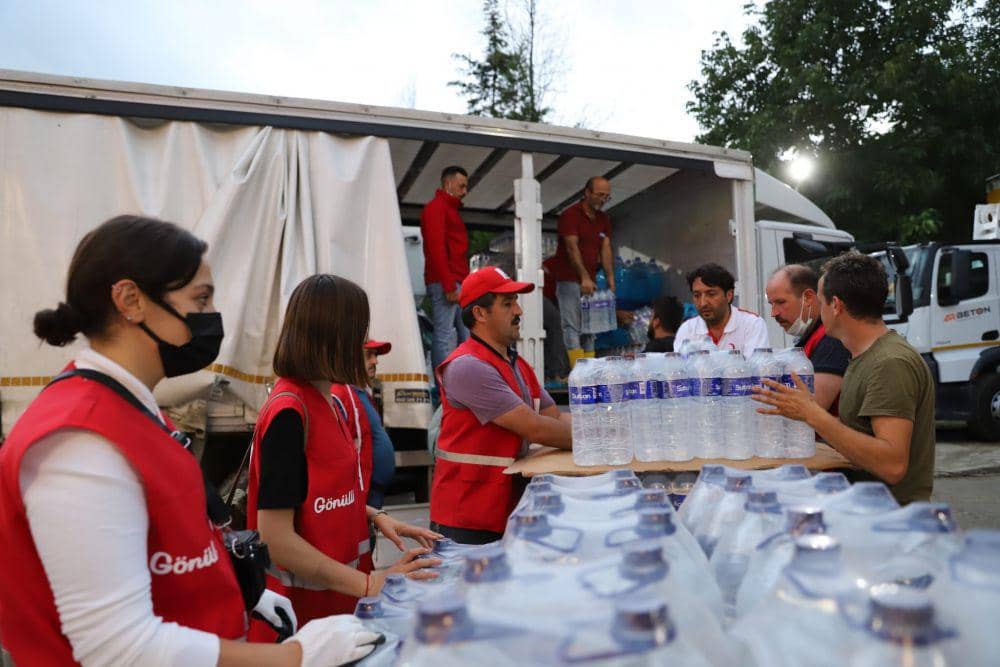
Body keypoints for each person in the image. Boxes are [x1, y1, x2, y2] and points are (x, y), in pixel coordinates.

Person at [0, 215, 380, 666]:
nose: (212, 316)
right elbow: (118, 647)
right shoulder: (80, 442)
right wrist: (296, 657)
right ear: (130, 300)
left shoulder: (130, 410)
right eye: (201, 298)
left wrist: (248, 595)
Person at [247, 274, 441, 641]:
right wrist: (370, 584)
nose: (363, 344)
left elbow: (315, 499)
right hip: (304, 624)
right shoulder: (289, 414)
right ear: (333, 336)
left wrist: (376, 516)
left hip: (335, 613)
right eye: (358, 332)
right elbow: (276, 537)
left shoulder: (328, 402)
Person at [753, 253, 936, 504]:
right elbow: (860, 429)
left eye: (820, 301)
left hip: (889, 515)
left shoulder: (889, 363)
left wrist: (812, 414)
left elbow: (892, 465)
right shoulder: (863, 356)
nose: (818, 310)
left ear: (836, 305)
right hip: (863, 509)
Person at [430, 267, 573, 544]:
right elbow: (537, 428)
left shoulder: (516, 365)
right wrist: (598, 442)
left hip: (500, 510)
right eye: (508, 304)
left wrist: (606, 430)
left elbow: (555, 418)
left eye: (516, 302)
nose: (519, 311)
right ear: (480, 314)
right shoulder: (468, 367)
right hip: (466, 518)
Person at [545, 176, 615, 368]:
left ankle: (589, 370)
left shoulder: (603, 218)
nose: (603, 200)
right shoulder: (570, 215)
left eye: (607, 196)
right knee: (572, 327)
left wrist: (610, 279)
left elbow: (606, 248)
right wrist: (584, 277)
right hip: (569, 279)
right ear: (587, 193)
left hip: (590, 282)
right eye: (599, 195)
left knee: (591, 328)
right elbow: (571, 248)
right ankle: (578, 371)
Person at [766, 264, 851, 412]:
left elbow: (811, 410)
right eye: (771, 304)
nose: (774, 313)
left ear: (808, 298)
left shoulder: (832, 339)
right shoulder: (814, 336)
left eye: (780, 302)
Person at [421, 165, 471, 369]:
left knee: (465, 333)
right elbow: (436, 248)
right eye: (462, 186)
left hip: (455, 280)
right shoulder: (436, 208)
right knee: (445, 334)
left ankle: (461, 376)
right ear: (448, 184)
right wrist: (448, 285)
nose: (465, 191)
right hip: (447, 281)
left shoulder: (446, 209)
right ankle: (444, 382)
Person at [674, 263, 769, 355]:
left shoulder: (752, 324)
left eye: (711, 294)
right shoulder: (687, 329)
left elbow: (756, 364)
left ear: (729, 295)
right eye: (697, 295)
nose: (703, 303)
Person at [359, 339, 395, 509]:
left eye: (376, 355)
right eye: (369, 355)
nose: (375, 361)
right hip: (363, 497)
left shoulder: (364, 394)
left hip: (373, 496)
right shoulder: (343, 394)